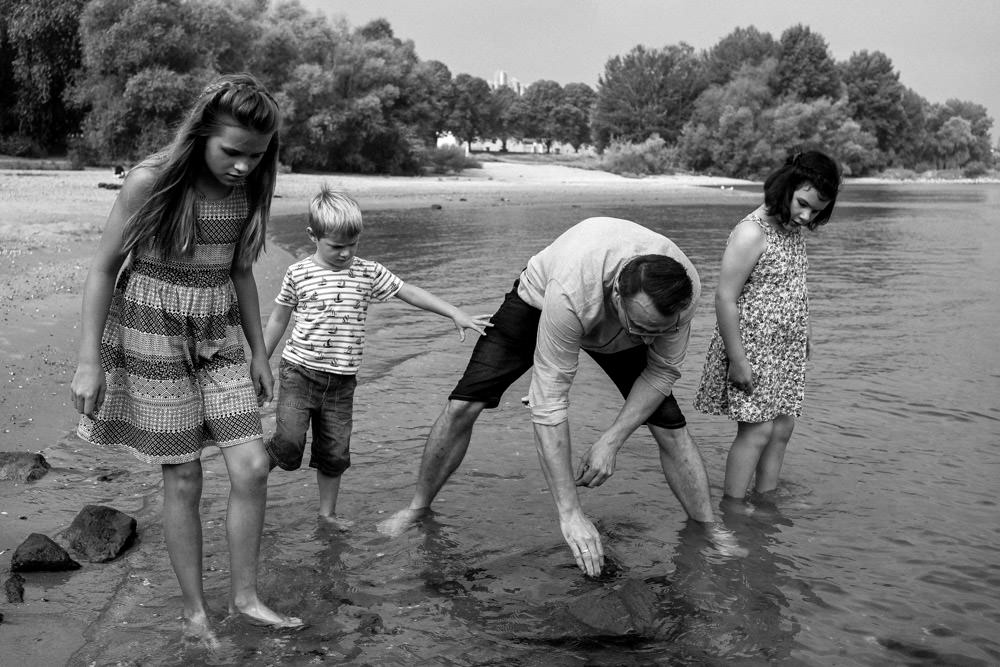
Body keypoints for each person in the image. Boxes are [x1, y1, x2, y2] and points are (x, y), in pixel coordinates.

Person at [70, 73, 302, 640]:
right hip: (152, 331)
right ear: (201, 133)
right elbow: (104, 269)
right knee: (185, 478)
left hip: (219, 333)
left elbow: (241, 270)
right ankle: (195, 611)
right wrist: (89, 359)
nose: (244, 165)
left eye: (257, 154)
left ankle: (245, 598)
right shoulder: (151, 183)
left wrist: (258, 353)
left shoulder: (249, 188)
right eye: (233, 151)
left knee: (251, 467)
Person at [380, 217, 725, 577]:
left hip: (616, 310)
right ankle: (417, 508)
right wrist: (570, 513)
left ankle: (708, 528)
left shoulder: (683, 294)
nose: (644, 337)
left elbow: (662, 371)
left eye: (656, 330)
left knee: (669, 426)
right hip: (540, 301)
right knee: (464, 404)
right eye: (638, 325)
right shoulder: (571, 289)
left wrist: (611, 440)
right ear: (616, 294)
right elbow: (549, 400)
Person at [262, 186, 492, 528]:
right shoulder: (299, 273)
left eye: (352, 245)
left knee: (334, 453)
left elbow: (408, 291)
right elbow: (279, 317)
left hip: (341, 383)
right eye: (336, 246)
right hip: (300, 373)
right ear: (313, 236)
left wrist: (454, 312)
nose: (345, 254)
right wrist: (260, 360)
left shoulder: (367, 272)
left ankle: (327, 515)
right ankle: (255, 469)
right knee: (289, 443)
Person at [693, 149, 841, 501]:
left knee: (782, 428)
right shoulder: (751, 232)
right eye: (802, 203)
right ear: (784, 188)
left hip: (784, 349)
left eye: (816, 211)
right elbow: (725, 298)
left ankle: (766, 499)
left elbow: (793, 284)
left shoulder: (790, 231)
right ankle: (733, 506)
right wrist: (737, 358)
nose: (806, 216)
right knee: (756, 431)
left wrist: (804, 331)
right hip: (752, 348)